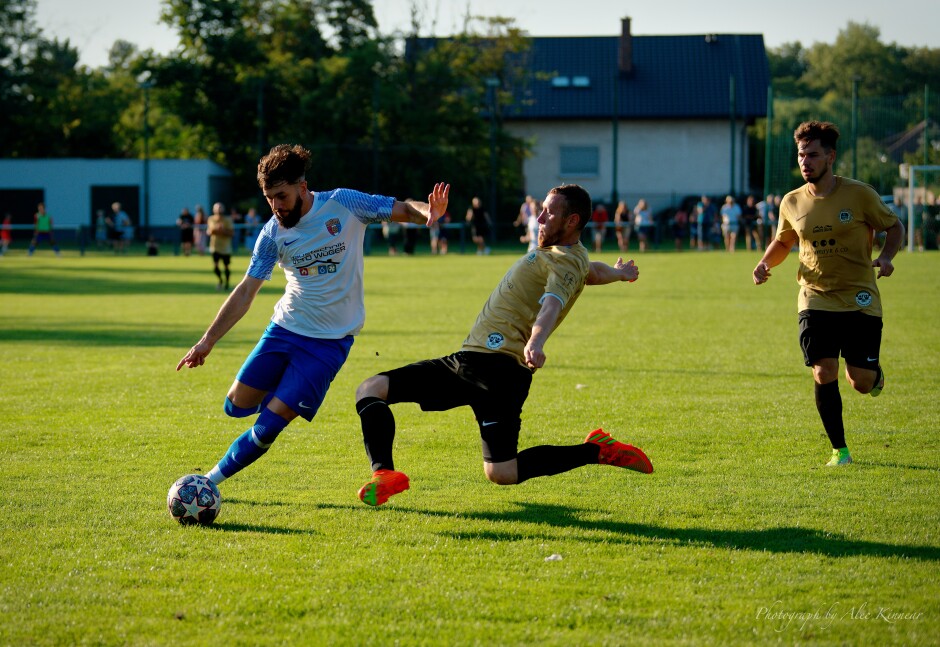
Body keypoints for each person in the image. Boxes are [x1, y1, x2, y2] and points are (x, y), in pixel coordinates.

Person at [353, 184, 651, 507]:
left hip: (499, 369)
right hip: (475, 362)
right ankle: (385, 475)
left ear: (571, 221)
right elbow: (591, 272)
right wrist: (619, 274)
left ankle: (596, 451)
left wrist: (536, 341)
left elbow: (551, 304)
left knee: (373, 390)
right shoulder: (571, 257)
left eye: (549, 212)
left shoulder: (565, 262)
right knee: (499, 471)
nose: (540, 216)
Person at [176, 143, 449, 489]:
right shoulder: (272, 234)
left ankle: (207, 482)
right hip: (284, 330)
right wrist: (207, 341)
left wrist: (429, 212)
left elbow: (403, 209)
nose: (275, 206)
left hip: (328, 346)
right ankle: (283, 389)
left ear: (302, 188)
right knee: (236, 406)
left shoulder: (344, 204)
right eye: (269, 198)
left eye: (282, 196)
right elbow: (246, 290)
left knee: (268, 426)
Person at [752, 121, 904, 468]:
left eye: (813, 154)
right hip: (814, 297)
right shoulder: (791, 201)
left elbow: (894, 226)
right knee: (823, 371)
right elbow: (785, 240)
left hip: (859, 297)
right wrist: (764, 264)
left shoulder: (859, 194)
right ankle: (840, 450)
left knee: (860, 382)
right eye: (801, 155)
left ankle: (874, 374)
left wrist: (886, 257)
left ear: (830, 157)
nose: (805, 161)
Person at [207, 202, 235, 290]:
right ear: (214, 210)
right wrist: (217, 230)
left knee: (226, 266)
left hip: (226, 248)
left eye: (220, 208)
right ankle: (220, 280)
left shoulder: (228, 219)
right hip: (215, 246)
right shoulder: (211, 219)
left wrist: (223, 230)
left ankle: (227, 283)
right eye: (217, 208)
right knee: (215, 266)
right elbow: (210, 231)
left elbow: (231, 233)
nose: (218, 210)